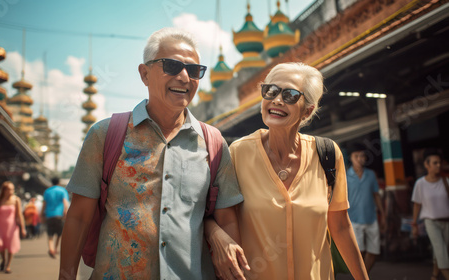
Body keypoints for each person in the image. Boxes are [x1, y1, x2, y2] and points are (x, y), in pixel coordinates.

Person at [60, 27, 244, 279]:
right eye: (171, 66)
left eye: (193, 70)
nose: (184, 77)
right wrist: (66, 275)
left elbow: (226, 218)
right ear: (144, 74)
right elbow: (80, 216)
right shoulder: (105, 135)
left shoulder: (213, 143)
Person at [207, 62, 369, 279]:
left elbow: (340, 227)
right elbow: (220, 217)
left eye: (290, 95)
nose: (277, 100)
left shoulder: (328, 154)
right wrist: (216, 235)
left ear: (307, 110)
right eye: (270, 91)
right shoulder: (238, 153)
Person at [346, 143, 386, 274]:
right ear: (350, 158)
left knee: (374, 251)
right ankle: (361, 276)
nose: (359, 159)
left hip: (372, 218)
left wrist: (383, 215)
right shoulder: (345, 176)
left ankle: (363, 276)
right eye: (356, 156)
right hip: (353, 219)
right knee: (359, 252)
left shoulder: (371, 175)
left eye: (362, 156)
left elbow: (376, 195)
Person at [411, 149, 449, 280]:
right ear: (426, 165)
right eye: (435, 163)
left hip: (447, 221)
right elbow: (417, 204)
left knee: (442, 251)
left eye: (439, 162)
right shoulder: (420, 184)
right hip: (431, 222)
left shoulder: (446, 182)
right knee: (441, 251)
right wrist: (414, 224)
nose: (438, 165)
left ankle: (434, 276)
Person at [0, 181, 26, 273]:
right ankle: (3, 259)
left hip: (12, 227)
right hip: (0, 227)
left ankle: (8, 265)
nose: (11, 191)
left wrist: (23, 228)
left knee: (11, 246)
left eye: (12, 189)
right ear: (4, 190)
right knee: (0, 245)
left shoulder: (16, 200)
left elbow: (19, 214)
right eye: (9, 189)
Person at [42, 177, 69, 258]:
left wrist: (41, 215)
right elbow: (65, 203)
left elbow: (44, 204)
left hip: (49, 215)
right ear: (59, 182)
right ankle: (55, 248)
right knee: (59, 234)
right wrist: (65, 213)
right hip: (59, 216)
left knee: (50, 235)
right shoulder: (62, 190)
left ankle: (51, 249)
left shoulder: (47, 191)